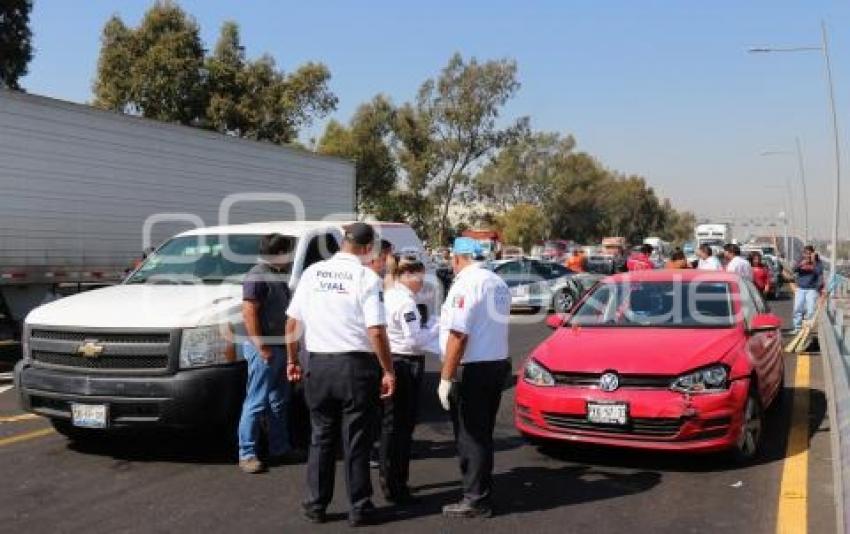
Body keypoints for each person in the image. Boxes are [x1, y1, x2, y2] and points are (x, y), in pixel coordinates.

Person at [285, 222, 396, 527]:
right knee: (356, 438)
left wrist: (293, 360)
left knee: (320, 436)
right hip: (355, 367)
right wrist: (388, 369)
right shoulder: (365, 277)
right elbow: (375, 330)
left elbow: (292, 324)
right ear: (367, 248)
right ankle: (359, 507)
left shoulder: (313, 273)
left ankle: (315, 504)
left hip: (318, 365)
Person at [438, 237, 511, 519]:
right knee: (481, 433)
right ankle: (479, 490)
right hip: (495, 364)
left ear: (459, 258)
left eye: (451, 259)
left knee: (470, 435)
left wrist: (446, 377)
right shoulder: (497, 281)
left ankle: (475, 499)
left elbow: (458, 335)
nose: (450, 265)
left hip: (474, 369)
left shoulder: (468, 284)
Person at [379, 253, 439, 503]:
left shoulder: (389, 296)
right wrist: (436, 327)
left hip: (392, 360)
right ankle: (396, 485)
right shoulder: (406, 304)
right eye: (417, 276)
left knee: (390, 425)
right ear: (405, 276)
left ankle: (389, 479)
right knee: (402, 427)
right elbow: (415, 340)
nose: (421, 281)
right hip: (405, 364)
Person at [238, 233, 299, 474]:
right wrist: (261, 346)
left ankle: (280, 448)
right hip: (265, 350)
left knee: (278, 402)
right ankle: (247, 453)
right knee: (256, 402)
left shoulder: (275, 274)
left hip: (278, 348)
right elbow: (249, 312)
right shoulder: (257, 276)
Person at [792, 245, 824, 333]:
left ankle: (808, 328)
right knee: (798, 308)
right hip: (800, 288)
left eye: (810, 254)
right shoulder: (800, 260)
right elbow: (793, 269)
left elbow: (819, 272)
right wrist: (801, 264)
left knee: (810, 310)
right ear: (803, 254)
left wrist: (813, 262)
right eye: (806, 254)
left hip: (812, 289)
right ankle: (797, 328)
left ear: (813, 254)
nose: (808, 256)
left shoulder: (817, 262)